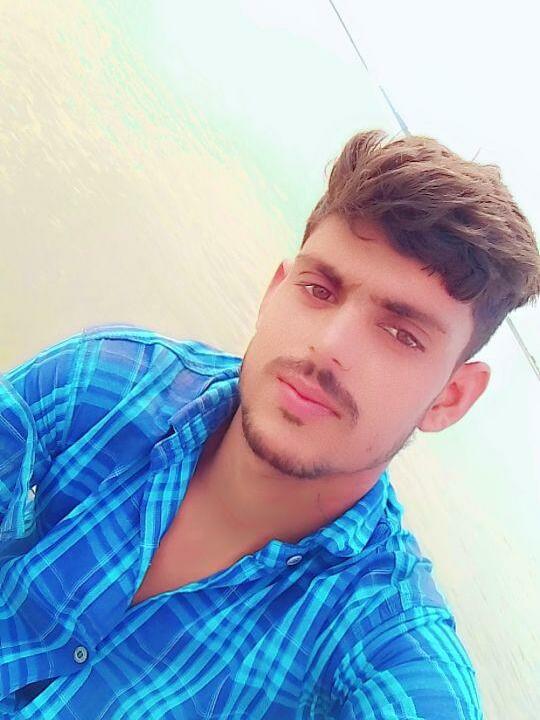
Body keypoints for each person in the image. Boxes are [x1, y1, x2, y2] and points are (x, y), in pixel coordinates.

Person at [1, 130, 538, 719]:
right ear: (275, 291)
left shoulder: (382, 646)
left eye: (400, 333)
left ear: (451, 398)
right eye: (319, 290)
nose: (328, 345)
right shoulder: (103, 384)